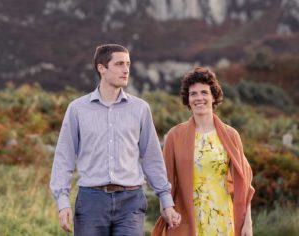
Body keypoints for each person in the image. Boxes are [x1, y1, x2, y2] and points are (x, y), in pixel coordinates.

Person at [50, 44, 181, 235]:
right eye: (119, 64)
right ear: (101, 68)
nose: (126, 69)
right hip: (91, 202)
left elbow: (152, 158)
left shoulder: (140, 109)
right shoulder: (77, 109)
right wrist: (62, 203)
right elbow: (64, 159)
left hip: (131, 202)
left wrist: (166, 200)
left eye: (127, 64)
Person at [152, 67, 255, 236]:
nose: (199, 98)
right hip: (184, 219)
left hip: (222, 219)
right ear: (188, 99)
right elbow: (165, 181)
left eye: (204, 92)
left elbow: (244, 184)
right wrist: (166, 209)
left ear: (213, 96)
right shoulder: (174, 136)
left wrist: (247, 223)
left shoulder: (231, 135)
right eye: (193, 94)